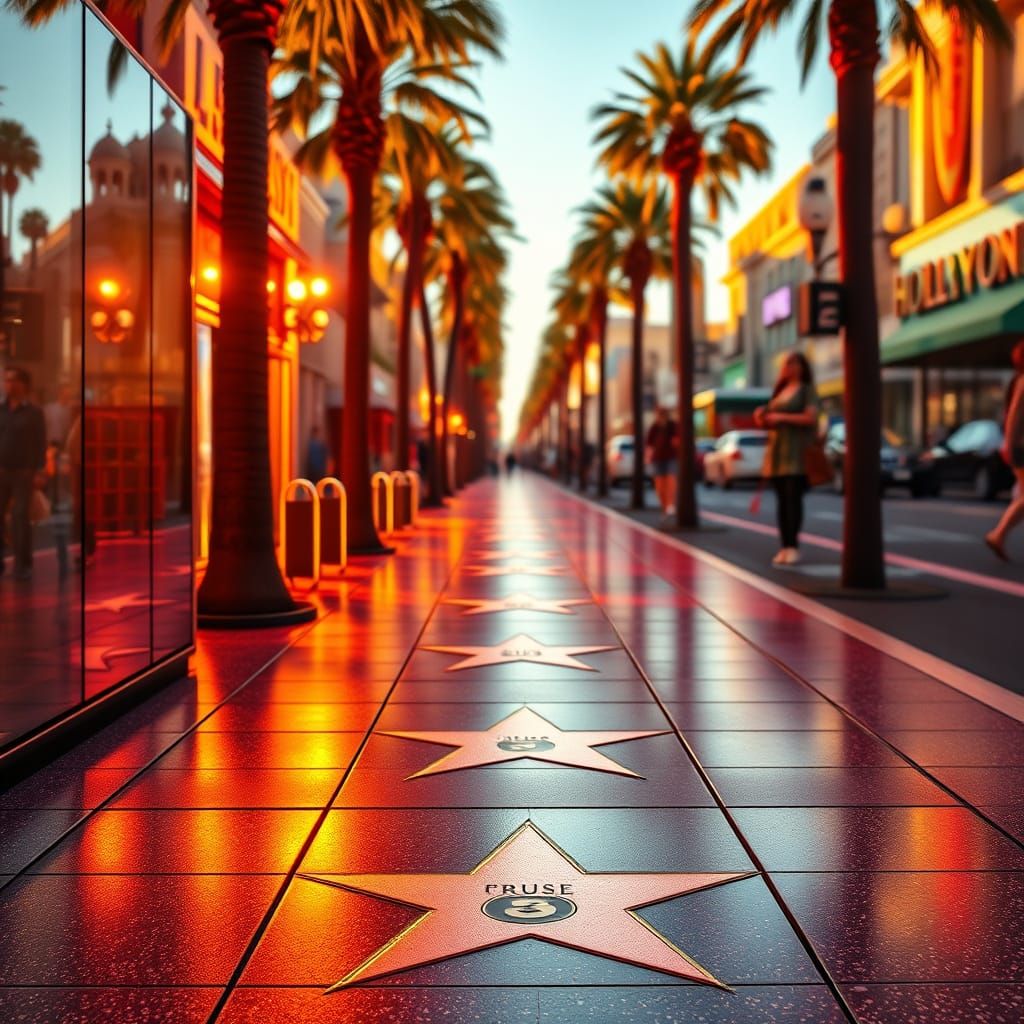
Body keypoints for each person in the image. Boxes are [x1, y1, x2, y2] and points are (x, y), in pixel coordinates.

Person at [755, 352, 820, 566]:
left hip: (797, 453)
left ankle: (793, 546)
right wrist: (762, 417)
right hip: (777, 454)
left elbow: (810, 417)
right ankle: (785, 545)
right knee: (782, 501)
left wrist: (781, 417)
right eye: (787, 364)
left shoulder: (806, 390)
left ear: (802, 367)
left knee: (793, 499)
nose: (789, 367)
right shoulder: (780, 391)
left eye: (794, 363)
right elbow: (768, 421)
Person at [0, 366, 47, 580]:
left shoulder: (34, 413)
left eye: (14, 380)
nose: (9, 384)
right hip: (1, 471)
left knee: (20, 517)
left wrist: (39, 471)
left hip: (24, 473)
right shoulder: (1, 409)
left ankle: (23, 565)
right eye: (7, 380)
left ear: (24, 385)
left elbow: (40, 443)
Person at [985, 340, 1024, 561]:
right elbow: (1014, 416)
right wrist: (1010, 444)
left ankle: (999, 535)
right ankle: (998, 534)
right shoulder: (1023, 381)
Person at [645, 406, 678, 517]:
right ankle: (664, 506)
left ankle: (670, 504)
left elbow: (677, 440)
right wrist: (648, 457)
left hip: (670, 457)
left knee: (670, 480)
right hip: (658, 458)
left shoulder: (672, 426)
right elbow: (649, 444)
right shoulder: (654, 427)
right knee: (660, 483)